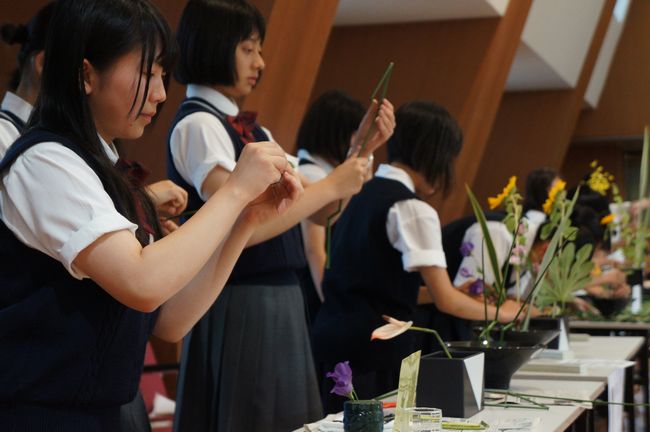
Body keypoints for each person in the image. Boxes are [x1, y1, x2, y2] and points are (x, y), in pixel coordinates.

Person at [0, 0, 301, 429]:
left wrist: (245, 220)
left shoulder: (102, 168)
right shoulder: (45, 159)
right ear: (86, 74)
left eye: (162, 74)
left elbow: (169, 319)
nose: (160, 93)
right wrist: (234, 192)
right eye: (147, 72)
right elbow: (142, 282)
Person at [168, 1, 394, 430]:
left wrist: (360, 151)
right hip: (241, 300)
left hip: (279, 299)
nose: (261, 63)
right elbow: (237, 222)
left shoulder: (255, 131)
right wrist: (332, 183)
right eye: (249, 49)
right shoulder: (197, 125)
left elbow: (319, 210)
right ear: (216, 47)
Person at [311, 101, 521, 413]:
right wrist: (506, 312)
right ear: (433, 155)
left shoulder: (359, 192)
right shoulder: (413, 209)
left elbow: (376, 284)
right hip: (376, 357)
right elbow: (446, 300)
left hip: (334, 344)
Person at [296, 89, 388, 322]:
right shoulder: (311, 175)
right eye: (356, 133)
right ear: (336, 134)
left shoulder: (330, 175)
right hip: (315, 294)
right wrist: (332, 304)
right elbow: (314, 249)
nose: (359, 141)